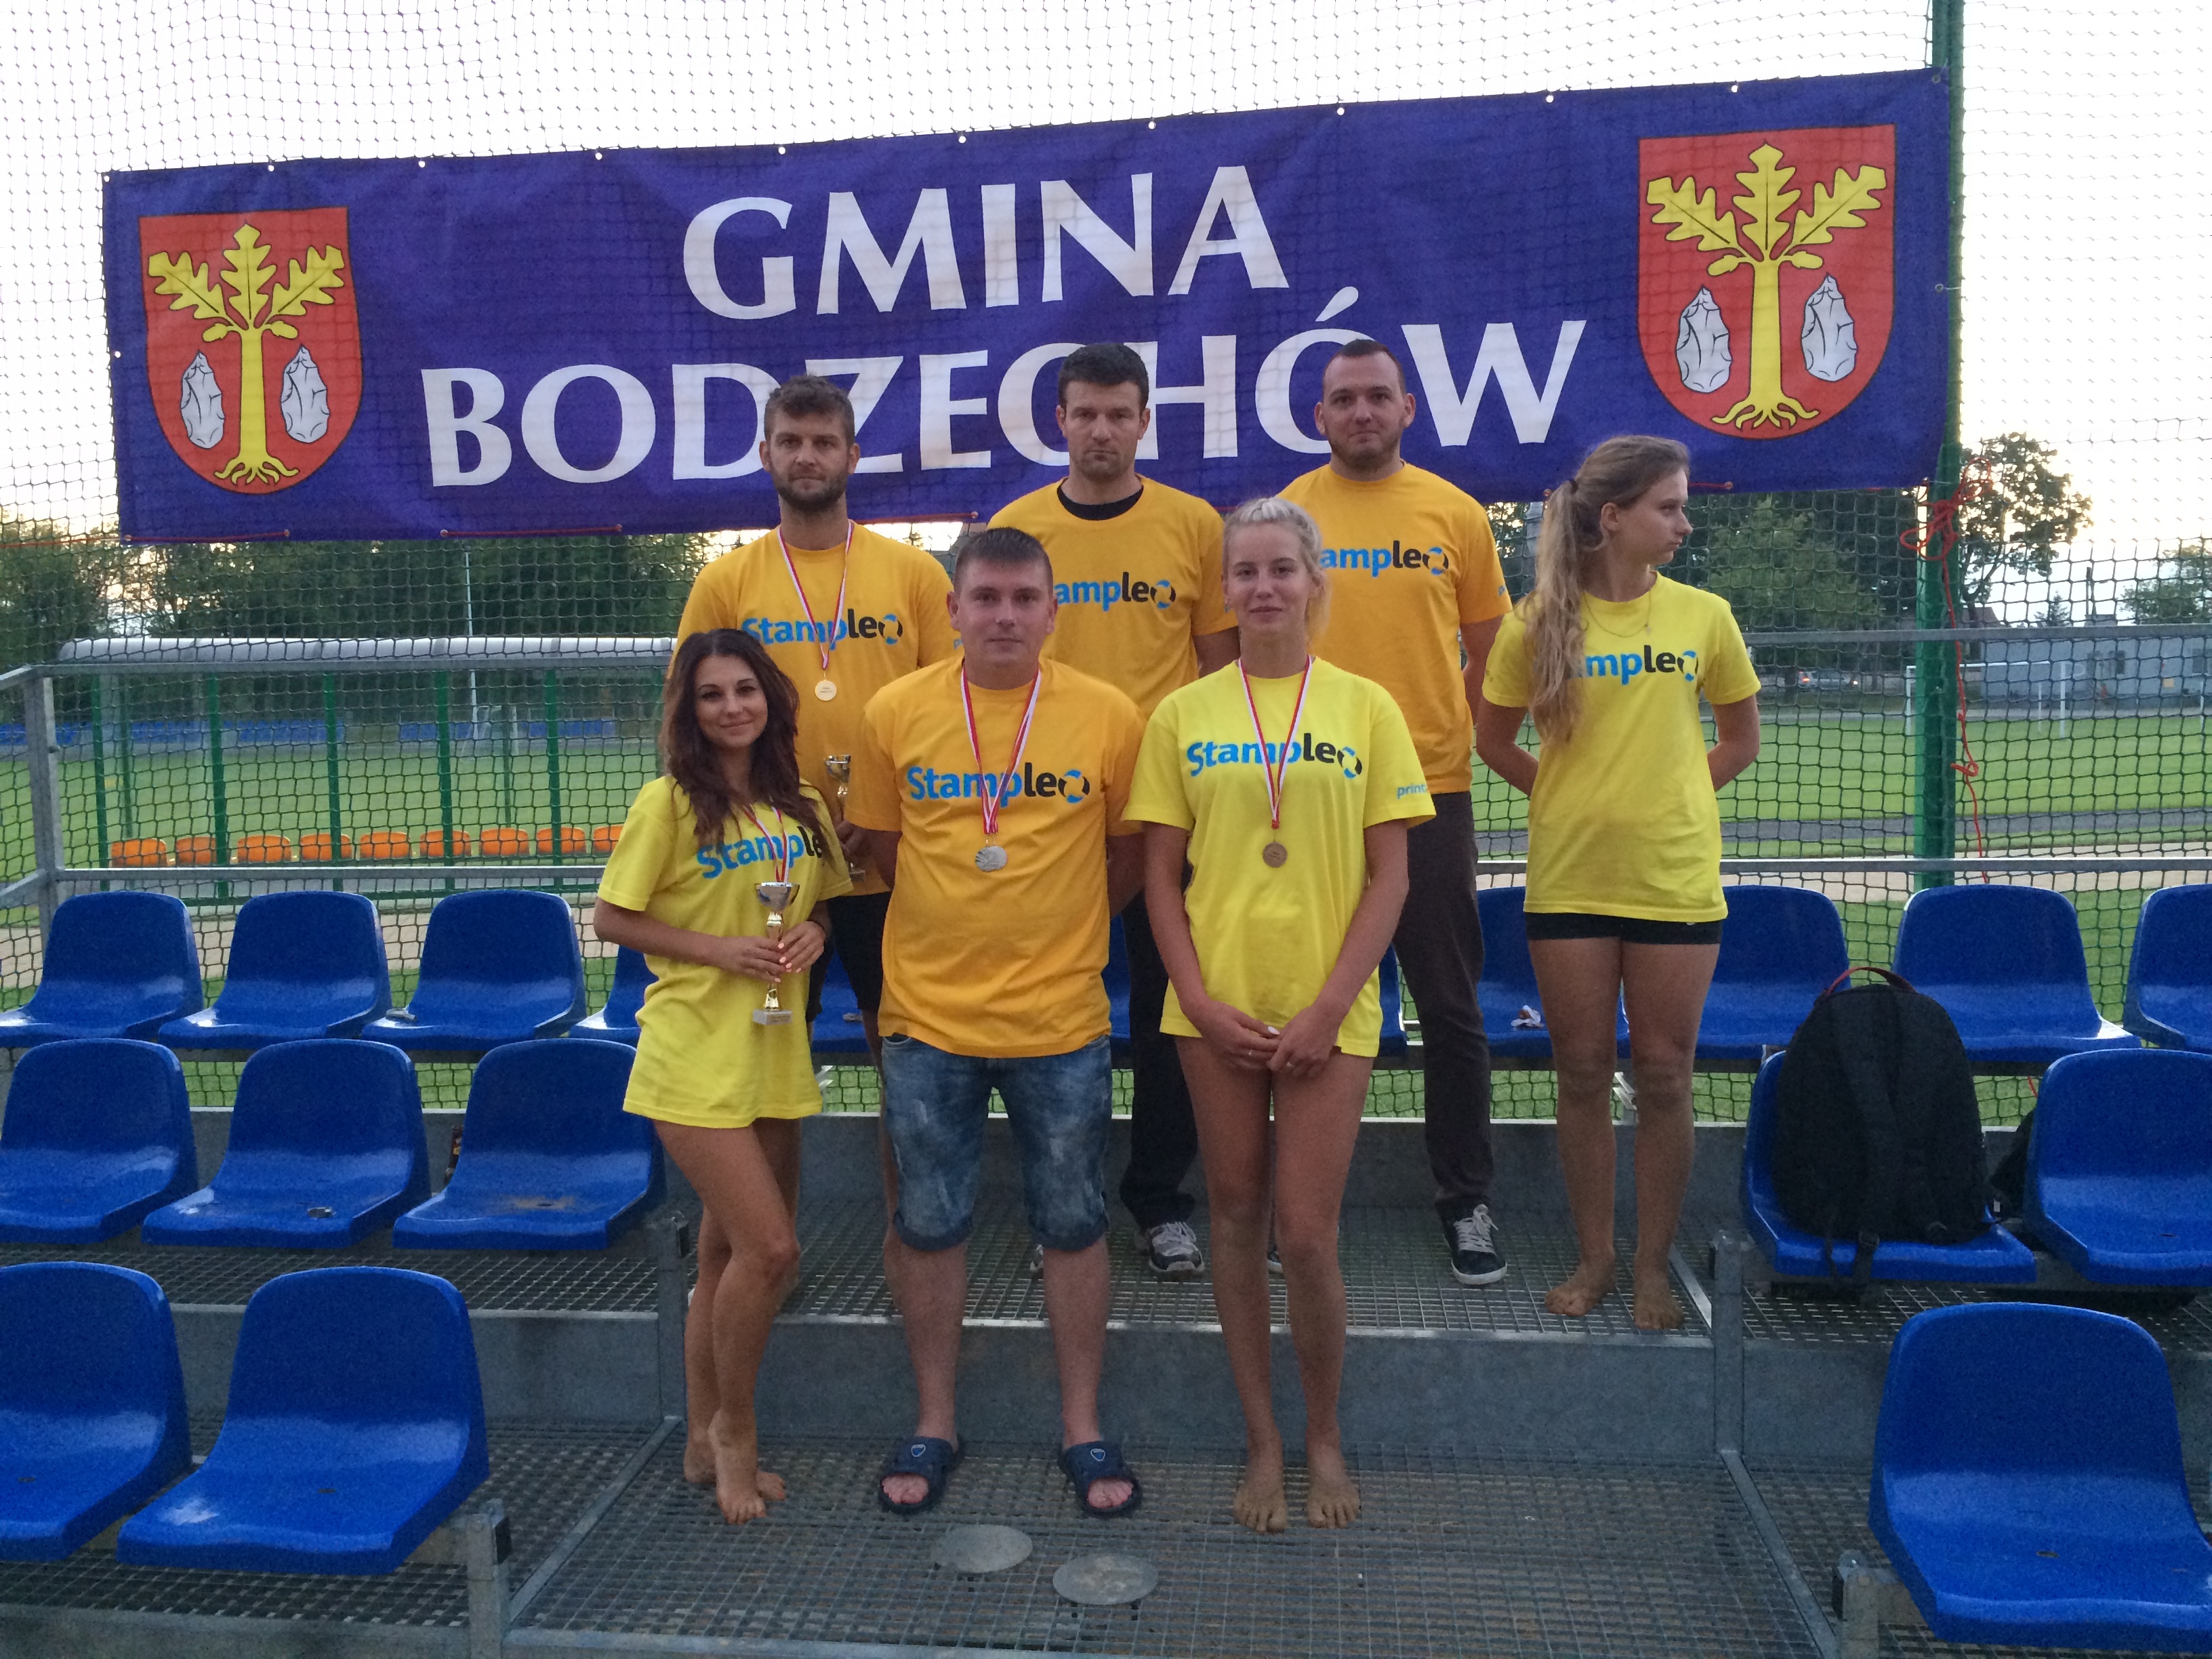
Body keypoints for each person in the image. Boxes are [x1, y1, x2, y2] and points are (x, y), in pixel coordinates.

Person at [1129, 497, 1430, 1534]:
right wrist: (1197, 1000)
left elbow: (1393, 878)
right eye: (1245, 572)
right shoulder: (1182, 715)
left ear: (1313, 583)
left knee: (1305, 1233)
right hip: (1215, 1008)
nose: (1263, 588)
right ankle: (1262, 1438)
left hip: (1327, 1007)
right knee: (1234, 1214)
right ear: (1225, 590)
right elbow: (1159, 882)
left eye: (1281, 569)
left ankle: (1323, 1435)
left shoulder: (1367, 709)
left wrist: (1333, 1002)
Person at [845, 525, 1148, 1518]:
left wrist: (1058, 929)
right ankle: (935, 1421)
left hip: (1061, 1022)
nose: (1006, 616)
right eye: (987, 597)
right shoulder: (896, 712)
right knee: (929, 1226)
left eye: (1025, 599)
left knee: (1073, 1223)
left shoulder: (1107, 715)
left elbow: (1127, 855)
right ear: (954, 610)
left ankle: (1082, 1425)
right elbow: (884, 847)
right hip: (927, 1022)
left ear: (1053, 611)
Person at [1474, 436, 1761, 1330]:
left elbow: (1741, 740)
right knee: (1583, 1072)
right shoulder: (1533, 623)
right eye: (1669, 507)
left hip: (1674, 882)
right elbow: (1492, 741)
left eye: (1682, 507)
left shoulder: (1705, 616)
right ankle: (1596, 1256)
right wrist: (1568, 801)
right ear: (1613, 516)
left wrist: (1671, 800)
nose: (1684, 523)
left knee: (1667, 1074)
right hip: (1570, 883)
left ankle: (1650, 1267)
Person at [991, 341, 1238, 1282]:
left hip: (1168, 811)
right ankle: (1062, 1206)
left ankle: (1161, 1203)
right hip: (1045, 811)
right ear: (1059, 421)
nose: (1101, 430)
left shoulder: (1193, 525)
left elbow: (1219, 672)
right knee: (1048, 1017)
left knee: (1172, 1010)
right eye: (1085, 413)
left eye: (1119, 414)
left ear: (1144, 421)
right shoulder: (1018, 525)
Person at [592, 628, 851, 1521]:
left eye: (745, 689)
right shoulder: (669, 803)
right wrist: (718, 950)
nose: (732, 706)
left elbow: (820, 907)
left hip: (772, 1049)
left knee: (726, 1254)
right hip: (691, 1050)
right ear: (689, 711)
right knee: (773, 1251)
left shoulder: (802, 804)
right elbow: (612, 919)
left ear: (770, 699)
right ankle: (737, 1429)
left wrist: (812, 931)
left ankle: (701, 1440)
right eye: (712, 694)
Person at [1279, 339, 1515, 1286]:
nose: (1362, 412)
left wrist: (1451, 732)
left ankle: (1465, 1199)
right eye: (1344, 399)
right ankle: (1296, 1203)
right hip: (1306, 787)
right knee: (1300, 998)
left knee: (1448, 1003)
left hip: (1427, 792)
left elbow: (1494, 650)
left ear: (1408, 409)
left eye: (1378, 396)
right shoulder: (1292, 513)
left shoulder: (1455, 513)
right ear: (1320, 416)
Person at [676, 373, 958, 1057]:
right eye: (791, 442)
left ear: (851, 456)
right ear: (765, 454)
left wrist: (882, 806)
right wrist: (758, 817)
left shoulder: (916, 574)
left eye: (824, 442)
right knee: (767, 1047)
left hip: (890, 851)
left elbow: (952, 711)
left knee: (907, 1050)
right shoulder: (726, 580)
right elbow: (690, 715)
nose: (807, 456)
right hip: (771, 854)